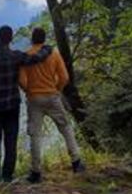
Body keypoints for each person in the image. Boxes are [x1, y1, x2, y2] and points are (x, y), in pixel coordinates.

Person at [0, 25, 53, 183]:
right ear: (11, 39)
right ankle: (8, 176)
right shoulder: (16, 56)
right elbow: (36, 58)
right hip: (12, 107)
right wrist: (47, 48)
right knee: (11, 142)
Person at [19, 28, 84, 184]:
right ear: (44, 39)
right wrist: (56, 89)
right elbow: (64, 77)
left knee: (35, 134)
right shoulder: (54, 54)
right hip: (52, 96)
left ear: (32, 39)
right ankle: (76, 162)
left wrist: (29, 90)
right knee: (66, 127)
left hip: (34, 99)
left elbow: (22, 81)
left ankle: (36, 172)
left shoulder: (26, 57)